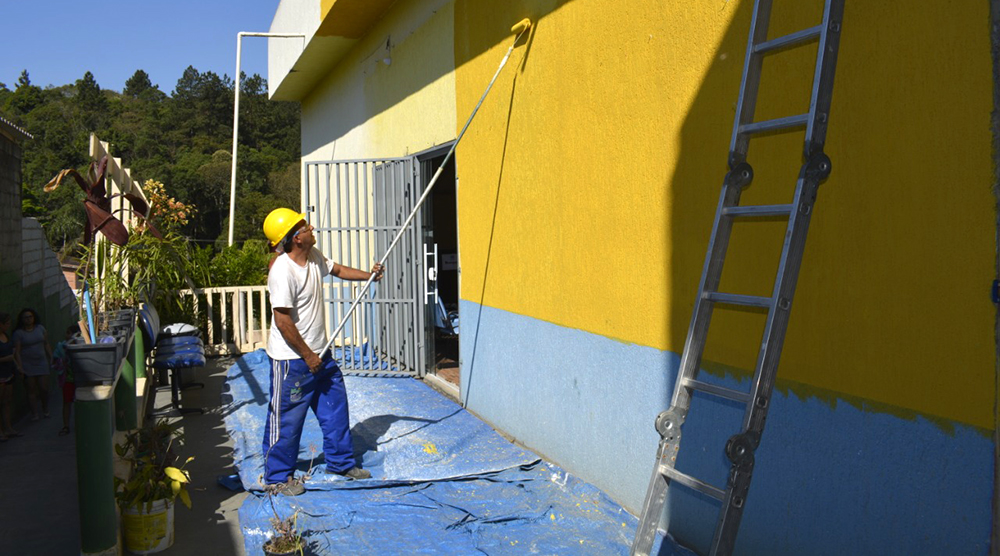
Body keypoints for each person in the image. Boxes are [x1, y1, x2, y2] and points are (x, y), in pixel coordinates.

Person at [261, 207, 385, 496]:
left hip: (321, 355)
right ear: (295, 238)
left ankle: (341, 463)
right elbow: (282, 321)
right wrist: (308, 356)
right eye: (305, 227)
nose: (311, 228)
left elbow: (338, 270)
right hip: (293, 362)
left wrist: (369, 276)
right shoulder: (282, 272)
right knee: (287, 419)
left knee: (335, 408)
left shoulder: (313, 256)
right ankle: (277, 477)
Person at [13, 308, 52, 421]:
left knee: (44, 388)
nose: (28, 319)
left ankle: (45, 409)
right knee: (31, 390)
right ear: (22, 319)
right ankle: (35, 413)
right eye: (26, 317)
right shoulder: (18, 333)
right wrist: (20, 367)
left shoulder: (40, 329)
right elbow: (17, 352)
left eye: (30, 317)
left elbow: (46, 344)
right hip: (27, 364)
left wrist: (51, 357)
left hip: (41, 362)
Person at [52, 325, 77, 436]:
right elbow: (54, 361)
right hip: (67, 378)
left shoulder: (82, 345)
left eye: (71, 333)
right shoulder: (61, 347)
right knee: (67, 402)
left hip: (79, 378)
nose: (68, 336)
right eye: (67, 333)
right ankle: (66, 425)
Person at [0, 313, 21, 440]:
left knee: (7, 402)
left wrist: (17, 366)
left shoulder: (6, 336)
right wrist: (4, 359)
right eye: (6, 323)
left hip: (8, 373)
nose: (8, 326)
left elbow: (13, 353)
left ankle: (8, 427)